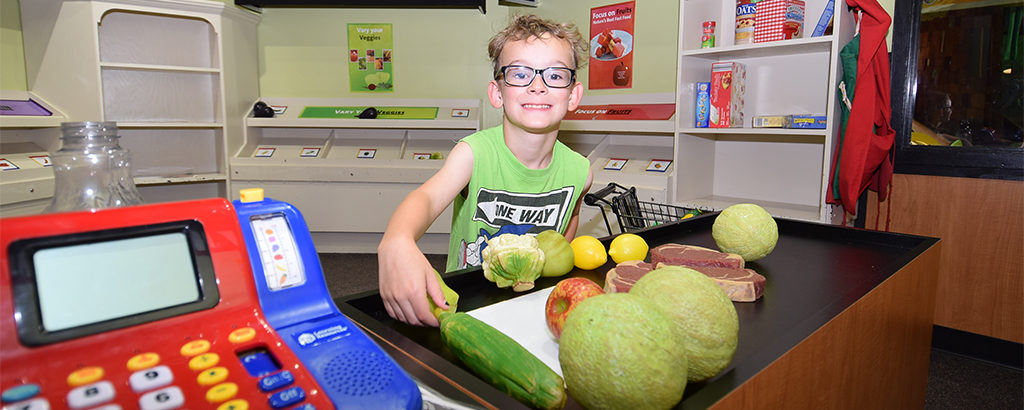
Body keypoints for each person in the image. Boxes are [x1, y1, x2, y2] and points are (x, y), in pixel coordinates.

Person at [377, 15, 594, 327]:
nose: (537, 86)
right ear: (497, 93)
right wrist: (396, 240)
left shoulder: (580, 171)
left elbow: (569, 218)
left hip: (533, 303)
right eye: (519, 74)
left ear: (573, 94)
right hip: (468, 303)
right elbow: (426, 198)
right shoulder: (472, 155)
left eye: (555, 75)